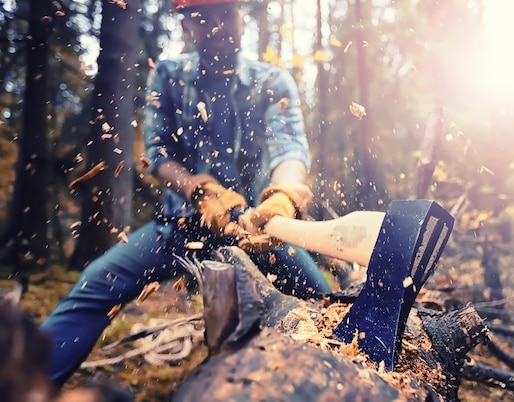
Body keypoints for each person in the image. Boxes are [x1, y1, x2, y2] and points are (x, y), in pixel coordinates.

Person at [40, 0, 331, 388]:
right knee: (97, 283)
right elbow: (158, 154)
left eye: (223, 14)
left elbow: (289, 148)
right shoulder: (168, 76)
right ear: (184, 26)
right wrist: (198, 189)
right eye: (200, 18)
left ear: (241, 18)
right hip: (178, 229)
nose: (214, 27)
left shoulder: (272, 82)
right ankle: (22, 381)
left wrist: (283, 200)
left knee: (324, 305)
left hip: (259, 233)